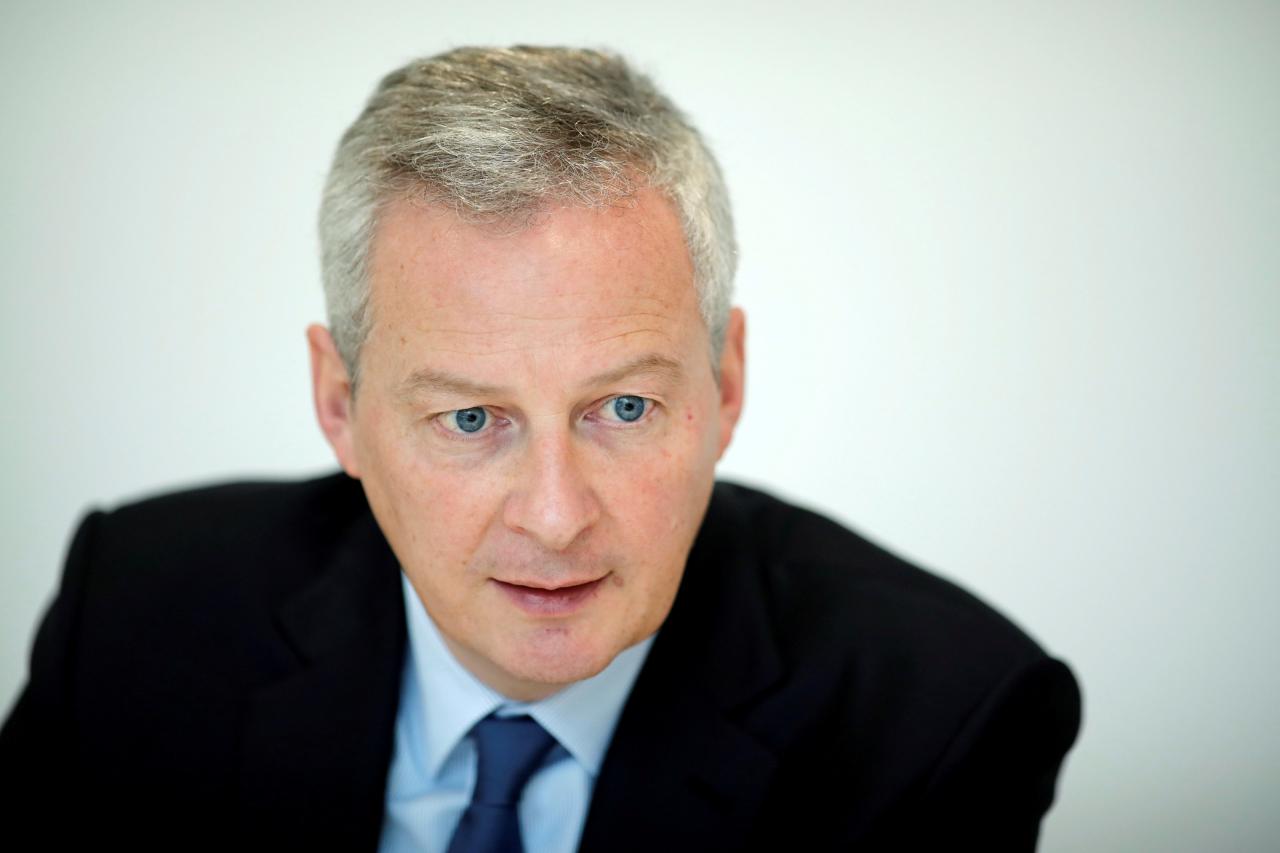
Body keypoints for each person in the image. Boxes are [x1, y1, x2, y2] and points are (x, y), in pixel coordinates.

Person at [0, 46, 1081, 851]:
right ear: (340, 404)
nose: (555, 517)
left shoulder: (940, 720)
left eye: (623, 408)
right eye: (471, 420)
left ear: (724, 385)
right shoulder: (134, 614)